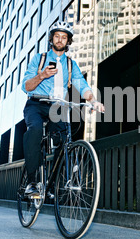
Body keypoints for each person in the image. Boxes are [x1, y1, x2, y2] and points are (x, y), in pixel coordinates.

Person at [21, 21, 104, 196]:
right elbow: (26, 86)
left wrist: (93, 100)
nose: (60, 40)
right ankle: (32, 182)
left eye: (64, 37)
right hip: (36, 104)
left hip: (57, 107)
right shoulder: (39, 58)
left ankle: (52, 183)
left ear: (68, 41)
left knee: (65, 139)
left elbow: (82, 85)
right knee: (35, 129)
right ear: (52, 39)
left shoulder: (70, 65)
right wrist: (42, 75)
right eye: (57, 36)